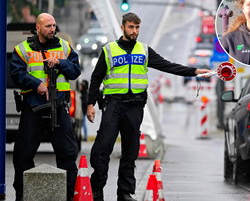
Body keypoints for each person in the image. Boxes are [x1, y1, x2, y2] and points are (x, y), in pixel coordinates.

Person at [86, 12, 211, 201]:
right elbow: (96, 79)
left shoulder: (144, 50)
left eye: (137, 28)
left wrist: (193, 71)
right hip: (113, 105)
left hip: (134, 106)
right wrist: (90, 104)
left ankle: (125, 193)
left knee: (130, 151)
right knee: (101, 150)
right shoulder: (109, 50)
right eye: (131, 27)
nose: (134, 31)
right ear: (122, 27)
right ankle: (97, 189)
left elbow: (168, 66)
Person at [10, 13, 81, 201]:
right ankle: (22, 196)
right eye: (48, 26)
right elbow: (16, 74)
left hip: (58, 107)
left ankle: (67, 196)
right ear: (38, 27)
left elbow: (75, 71)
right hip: (33, 108)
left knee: (68, 154)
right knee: (22, 155)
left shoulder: (64, 47)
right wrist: (36, 84)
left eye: (54, 25)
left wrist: (60, 62)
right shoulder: (23, 49)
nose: (52, 29)